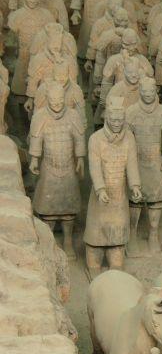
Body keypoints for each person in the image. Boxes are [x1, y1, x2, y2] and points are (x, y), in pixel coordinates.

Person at [84, 95, 142, 278]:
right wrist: (100, 189)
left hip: (119, 194)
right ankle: (94, 263)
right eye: (113, 119)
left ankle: (115, 262)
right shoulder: (95, 139)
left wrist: (135, 186)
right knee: (96, 232)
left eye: (120, 120)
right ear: (106, 117)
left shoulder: (129, 138)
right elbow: (94, 167)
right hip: (101, 195)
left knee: (117, 233)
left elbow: (132, 164)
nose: (117, 123)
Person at [29, 82, 85, 261]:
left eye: (60, 100)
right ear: (47, 99)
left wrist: (80, 158)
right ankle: (49, 242)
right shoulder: (40, 116)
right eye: (53, 100)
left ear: (64, 98)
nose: (57, 103)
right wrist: (34, 159)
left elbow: (79, 138)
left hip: (68, 166)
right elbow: (36, 139)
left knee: (68, 206)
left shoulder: (73, 115)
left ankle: (68, 242)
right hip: (49, 166)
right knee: (48, 207)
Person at [126, 76, 162, 254]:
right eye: (144, 91)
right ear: (139, 91)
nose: (148, 94)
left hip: (155, 161)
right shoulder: (131, 112)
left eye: (151, 91)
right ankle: (132, 235)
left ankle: (153, 235)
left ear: (156, 91)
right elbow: (127, 138)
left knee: (156, 198)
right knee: (134, 198)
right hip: (136, 160)